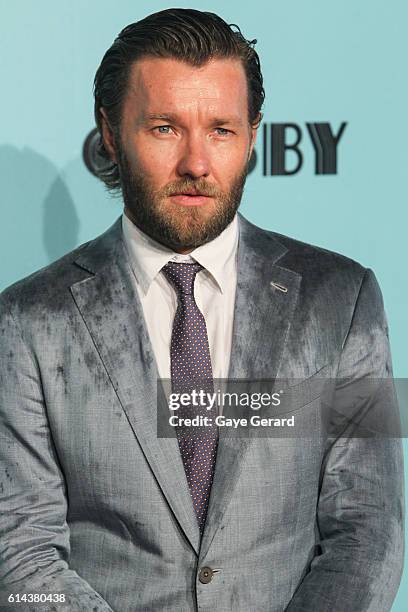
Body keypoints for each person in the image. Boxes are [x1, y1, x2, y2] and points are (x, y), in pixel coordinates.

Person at [0, 8, 404, 612]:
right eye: (164, 128)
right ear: (109, 133)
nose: (196, 162)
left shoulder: (340, 300)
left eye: (221, 130)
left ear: (254, 135)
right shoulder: (27, 322)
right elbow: (20, 549)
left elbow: (368, 527)